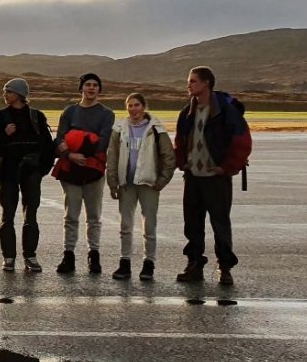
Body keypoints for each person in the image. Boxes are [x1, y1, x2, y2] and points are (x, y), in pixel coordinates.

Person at [173, 66, 251, 285]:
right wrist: (182, 162)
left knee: (220, 224)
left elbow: (242, 142)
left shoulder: (225, 111)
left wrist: (226, 168)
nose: (189, 85)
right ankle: (194, 265)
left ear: (206, 83)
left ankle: (225, 268)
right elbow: (180, 141)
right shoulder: (186, 112)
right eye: (189, 81)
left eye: (193, 81)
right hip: (193, 177)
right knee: (192, 225)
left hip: (217, 179)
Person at [0, 79, 55, 273]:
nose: (5, 95)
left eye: (8, 91)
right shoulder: (0, 116)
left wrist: (41, 169)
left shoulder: (36, 116)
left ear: (19, 94)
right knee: (7, 215)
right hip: (8, 172)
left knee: (31, 215)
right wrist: (4, 134)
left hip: (31, 172)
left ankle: (30, 256)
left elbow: (47, 145)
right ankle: (8, 257)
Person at [105, 93, 175, 281]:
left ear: (144, 106)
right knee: (125, 226)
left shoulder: (156, 129)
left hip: (149, 184)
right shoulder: (119, 128)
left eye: (137, 105)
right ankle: (124, 263)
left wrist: (162, 181)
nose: (133, 109)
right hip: (126, 184)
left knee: (149, 226)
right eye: (130, 105)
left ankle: (148, 264)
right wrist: (112, 181)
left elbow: (169, 157)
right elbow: (112, 156)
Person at [53, 73, 117, 275]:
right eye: (87, 85)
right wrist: (70, 155)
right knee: (71, 216)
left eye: (95, 85)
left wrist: (83, 151)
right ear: (81, 88)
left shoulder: (107, 114)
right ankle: (68, 255)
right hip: (70, 170)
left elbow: (103, 141)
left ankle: (94, 255)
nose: (91, 88)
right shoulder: (69, 111)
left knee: (94, 216)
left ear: (99, 89)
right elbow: (60, 138)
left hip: (93, 171)